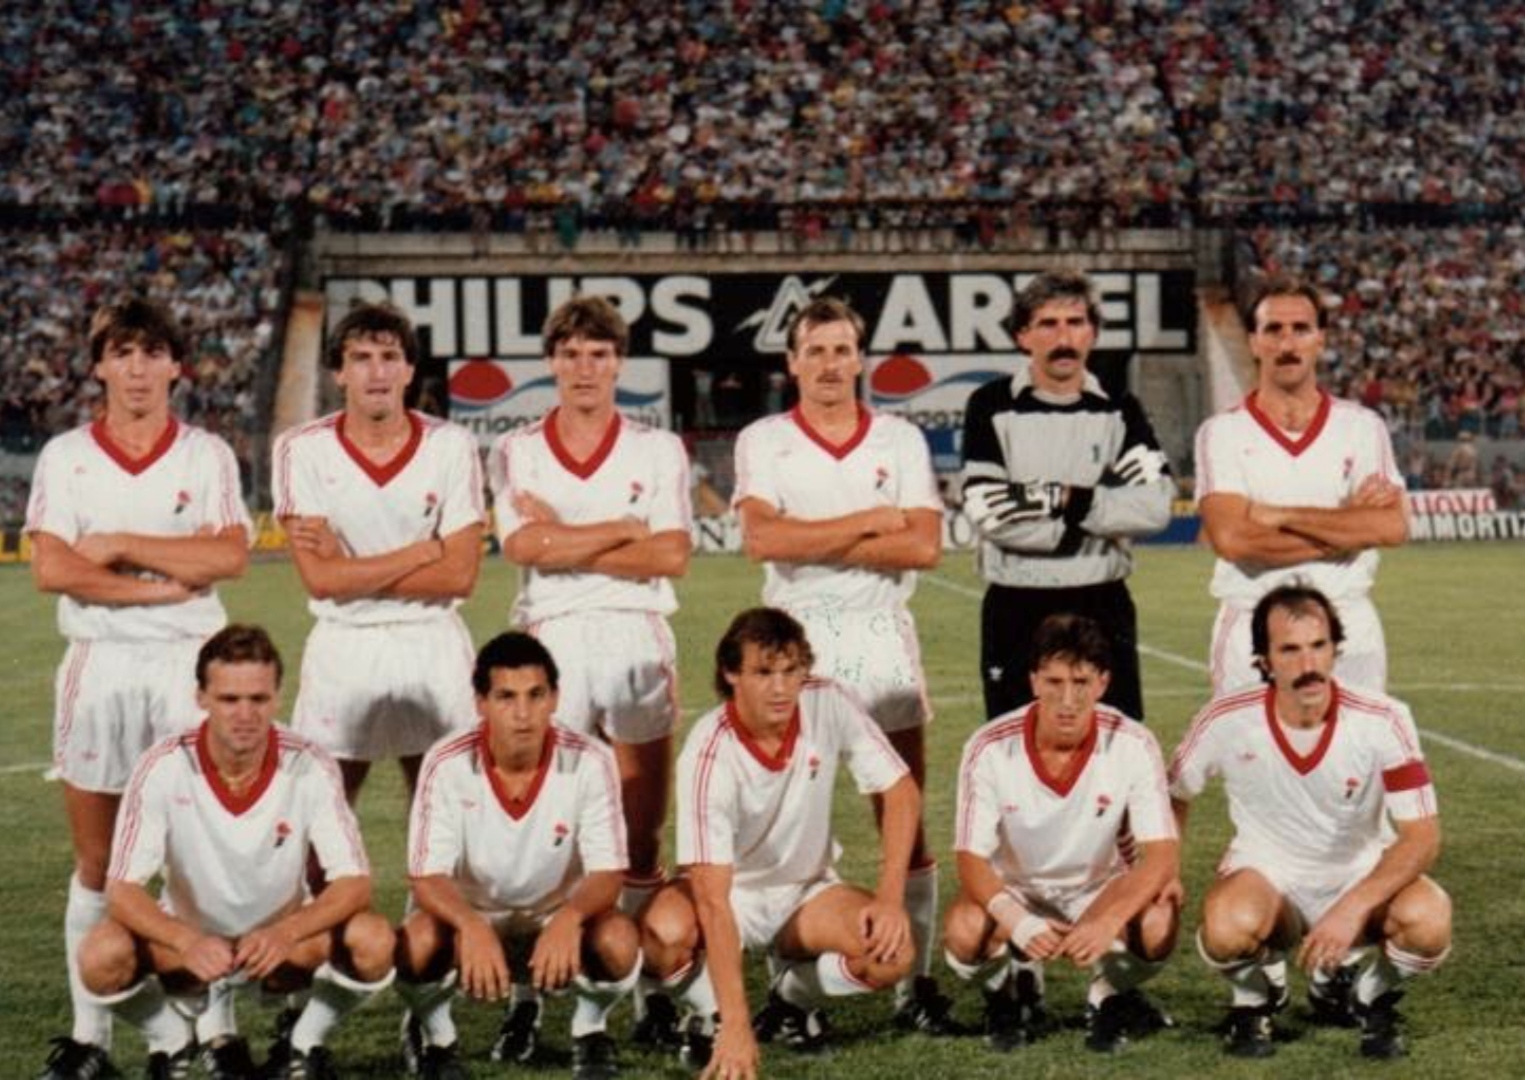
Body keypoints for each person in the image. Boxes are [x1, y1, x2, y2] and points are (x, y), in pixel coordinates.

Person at [26, 297, 252, 1080]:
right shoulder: (65, 457)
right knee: (97, 863)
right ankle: (93, 1039)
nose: (137, 368)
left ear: (175, 366)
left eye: (152, 352)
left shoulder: (206, 455)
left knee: (203, 857)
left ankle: (216, 1032)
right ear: (99, 366)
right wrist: (159, 585)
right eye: (121, 353)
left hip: (189, 670)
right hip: (100, 667)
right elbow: (52, 567)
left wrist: (119, 545)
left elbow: (227, 558)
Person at [732, 296, 951, 1032]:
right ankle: (790, 992)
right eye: (815, 350)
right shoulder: (765, 440)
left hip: (879, 632)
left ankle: (915, 985)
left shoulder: (899, 439)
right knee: (793, 821)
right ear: (791, 362)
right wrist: (869, 521)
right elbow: (764, 540)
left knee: (904, 813)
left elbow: (922, 546)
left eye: (841, 350)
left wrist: (812, 535)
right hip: (795, 642)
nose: (829, 364)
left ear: (860, 359)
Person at [488, 295, 692, 1038]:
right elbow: (520, 546)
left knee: (641, 829)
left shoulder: (657, 449)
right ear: (551, 362)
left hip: (637, 636)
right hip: (552, 640)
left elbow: (671, 554)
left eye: (599, 354)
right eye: (570, 354)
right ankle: (530, 995)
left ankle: (647, 994)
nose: (584, 368)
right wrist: (621, 530)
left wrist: (564, 537)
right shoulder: (517, 448)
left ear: (618, 363)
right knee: (547, 829)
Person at [74, 625, 395, 1079]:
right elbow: (122, 889)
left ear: (277, 698)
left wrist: (286, 932)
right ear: (201, 698)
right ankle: (172, 1042)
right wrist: (185, 940)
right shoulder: (162, 767)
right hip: (189, 945)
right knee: (100, 954)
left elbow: (354, 882)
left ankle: (303, 1045)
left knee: (374, 940)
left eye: (258, 699)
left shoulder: (309, 763)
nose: (245, 714)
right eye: (229, 699)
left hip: (283, 943)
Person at [1169, 585, 1451, 1059]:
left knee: (1430, 918)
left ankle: (1369, 996)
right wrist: (1165, 871)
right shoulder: (1225, 718)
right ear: (1264, 660)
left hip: (1359, 875)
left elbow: (1422, 837)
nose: (1308, 664)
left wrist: (1352, 908)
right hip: (1269, 879)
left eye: (1319, 646)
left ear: (1336, 649)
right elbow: (1173, 793)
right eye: (1290, 650)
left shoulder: (1385, 718)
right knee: (1225, 927)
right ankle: (1256, 998)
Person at [640, 608, 920, 1079]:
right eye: (764, 673)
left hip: (806, 892)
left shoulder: (827, 701)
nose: (781, 688)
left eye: (791, 671)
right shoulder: (708, 754)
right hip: (730, 894)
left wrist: (890, 899)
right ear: (731, 674)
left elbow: (900, 791)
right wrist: (735, 1024)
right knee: (660, 936)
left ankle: (791, 997)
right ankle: (711, 1013)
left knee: (892, 955)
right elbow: (712, 901)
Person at [396, 632, 639, 1080]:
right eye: (506, 697)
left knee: (618, 941)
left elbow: (608, 872)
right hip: (472, 914)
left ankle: (590, 1031)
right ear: (481, 703)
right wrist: (470, 924)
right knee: (417, 943)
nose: (523, 713)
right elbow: (427, 877)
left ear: (555, 699)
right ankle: (437, 1037)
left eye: (535, 695)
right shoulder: (445, 762)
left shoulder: (592, 759)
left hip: (554, 915)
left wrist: (569, 919)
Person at [272, 302, 484, 804]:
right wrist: (420, 552)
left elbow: (459, 576)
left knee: (450, 810)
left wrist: (350, 570)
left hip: (432, 642)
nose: (377, 372)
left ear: (409, 370)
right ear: (339, 373)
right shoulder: (301, 448)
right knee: (318, 811)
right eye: (361, 358)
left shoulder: (451, 445)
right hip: (344, 644)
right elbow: (321, 581)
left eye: (390, 357)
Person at [945, 614, 1179, 1054]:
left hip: (1097, 889)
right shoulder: (989, 746)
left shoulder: (1134, 743)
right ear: (1033, 681)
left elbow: (1161, 855)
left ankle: (1107, 995)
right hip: (1016, 889)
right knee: (963, 930)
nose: (1067, 700)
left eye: (1081, 682)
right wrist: (1018, 921)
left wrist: (1108, 919)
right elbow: (970, 858)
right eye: (1054, 681)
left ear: (1103, 683)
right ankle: (1005, 994)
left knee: (1159, 922)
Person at [959, 270, 1173, 724]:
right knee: (1013, 745)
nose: (1063, 338)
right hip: (1016, 605)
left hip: (1102, 602)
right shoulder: (990, 404)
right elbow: (988, 512)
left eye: (1075, 322)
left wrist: (1064, 501)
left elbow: (1154, 507)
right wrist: (1091, 517)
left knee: (1114, 742)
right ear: (1023, 335)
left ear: (1092, 332)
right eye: (1048, 324)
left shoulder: (1119, 407)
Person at [1194, 276, 1408, 695]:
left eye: (1301, 329)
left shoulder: (1363, 427)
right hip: (1252, 626)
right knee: (1249, 740)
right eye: (1273, 329)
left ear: (1321, 340)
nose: (1287, 343)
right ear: (1253, 342)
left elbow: (1391, 527)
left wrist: (1280, 515)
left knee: (1357, 740)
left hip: (1348, 624)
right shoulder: (1221, 432)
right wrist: (1346, 530)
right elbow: (1233, 539)